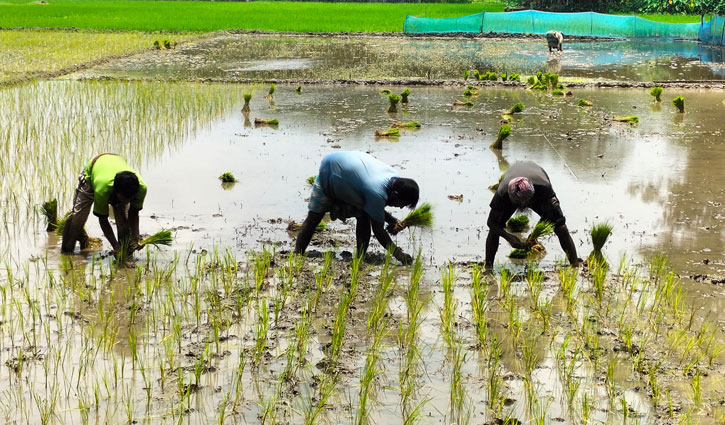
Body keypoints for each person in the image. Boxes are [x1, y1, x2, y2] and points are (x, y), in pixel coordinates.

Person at [295, 151, 418, 264]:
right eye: (402, 203)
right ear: (395, 194)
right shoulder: (376, 192)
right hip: (328, 175)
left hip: (341, 169)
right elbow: (379, 231)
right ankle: (297, 254)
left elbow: (374, 207)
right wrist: (399, 254)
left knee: (364, 213)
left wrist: (393, 220)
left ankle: (360, 257)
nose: (401, 207)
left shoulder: (393, 176)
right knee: (314, 218)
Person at [485, 161, 580, 269]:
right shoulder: (502, 194)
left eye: (527, 201)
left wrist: (534, 234)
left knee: (561, 227)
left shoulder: (544, 188)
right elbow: (491, 222)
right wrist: (509, 237)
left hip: (537, 182)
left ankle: (575, 265)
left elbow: (552, 214)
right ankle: (488, 267)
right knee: (495, 229)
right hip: (514, 183)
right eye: (522, 202)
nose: (525, 205)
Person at [61, 153, 147, 256]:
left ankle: (125, 254)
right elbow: (103, 220)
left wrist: (136, 237)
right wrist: (115, 245)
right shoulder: (103, 190)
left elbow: (133, 213)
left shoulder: (141, 189)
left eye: (130, 199)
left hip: (116, 162)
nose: (127, 202)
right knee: (77, 218)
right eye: (124, 198)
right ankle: (66, 252)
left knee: (124, 220)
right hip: (93, 172)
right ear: (115, 191)